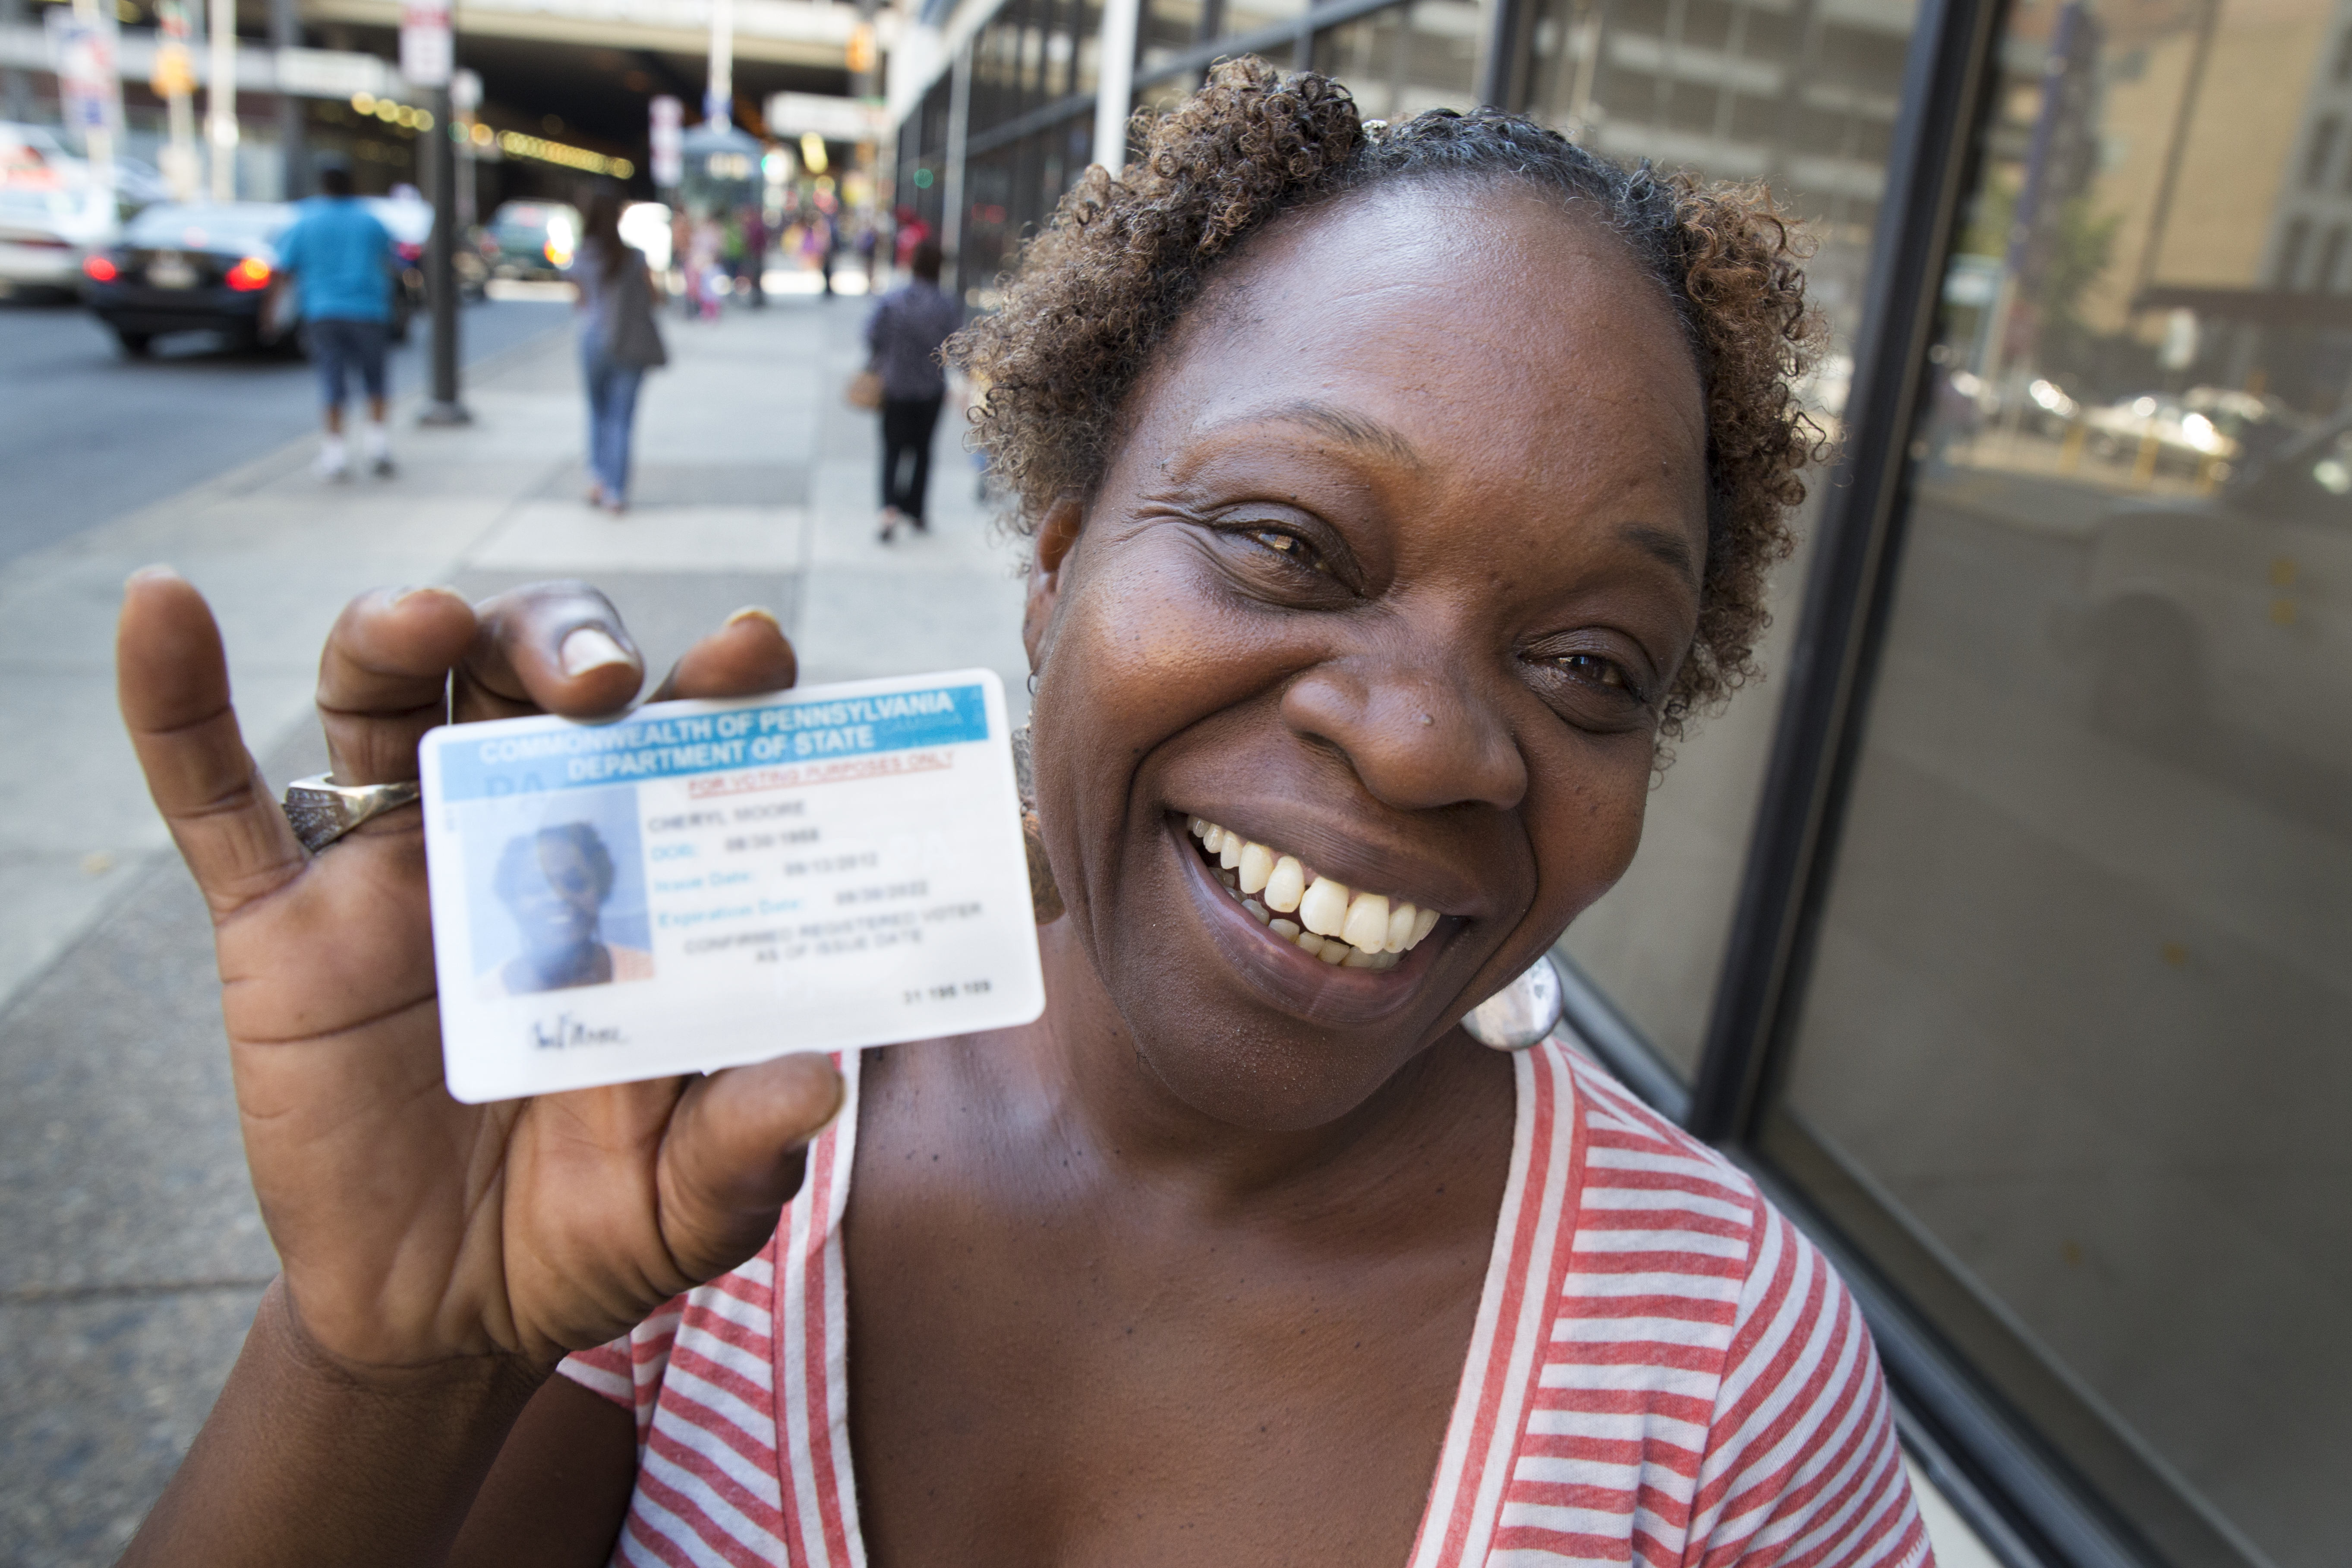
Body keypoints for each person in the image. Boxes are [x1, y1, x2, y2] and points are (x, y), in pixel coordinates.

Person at [110, 63, 1933, 1568]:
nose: (1423, 745)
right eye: (1288, 543)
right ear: (1055, 576)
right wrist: (383, 1362)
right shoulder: (703, 1124)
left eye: (1593, 663)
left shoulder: (1718, 1370)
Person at [274, 164, 397, 480]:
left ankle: (335, 455)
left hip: (323, 311)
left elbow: (284, 266)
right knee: (376, 379)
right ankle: (378, 446)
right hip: (368, 309)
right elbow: (392, 260)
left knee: (332, 380)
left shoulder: (306, 220)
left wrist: (272, 311)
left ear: (323, 185)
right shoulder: (370, 221)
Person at [569, 190, 668, 513]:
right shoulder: (634, 258)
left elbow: (581, 301)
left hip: (593, 340)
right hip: (628, 342)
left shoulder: (582, 256)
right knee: (621, 419)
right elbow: (655, 300)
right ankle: (616, 491)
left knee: (598, 412)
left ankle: (597, 478)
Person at [482, 822, 653, 997]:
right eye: (536, 887)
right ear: (512, 901)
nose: (558, 898)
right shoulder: (484, 995)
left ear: (601, 889)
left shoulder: (650, 972)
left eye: (575, 882)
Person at [864, 237, 961, 541]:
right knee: (923, 451)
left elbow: (871, 335)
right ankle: (916, 511)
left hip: (894, 386)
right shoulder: (946, 305)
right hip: (930, 389)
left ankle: (889, 510)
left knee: (892, 449)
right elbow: (958, 346)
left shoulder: (894, 300)